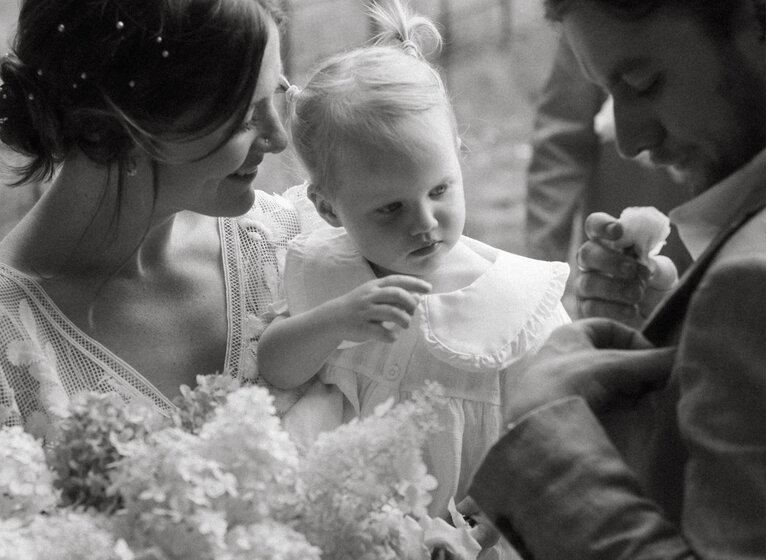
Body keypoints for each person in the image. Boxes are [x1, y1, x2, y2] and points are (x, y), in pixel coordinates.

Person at [0, 0, 302, 440]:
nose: (278, 137)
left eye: (278, 93)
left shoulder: (288, 248)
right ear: (121, 125)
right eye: (245, 116)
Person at [468, 0, 765, 557]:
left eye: (644, 82)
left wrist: (548, 443)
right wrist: (684, 345)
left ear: (755, 22)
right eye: (609, 94)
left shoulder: (751, 285)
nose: (628, 140)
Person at [256, 0, 572, 525]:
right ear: (329, 207)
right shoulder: (324, 270)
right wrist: (335, 321)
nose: (424, 222)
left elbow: (552, 425)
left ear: (459, 153)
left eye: (440, 190)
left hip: (462, 531)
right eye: (390, 208)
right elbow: (277, 369)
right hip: (340, 527)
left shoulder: (514, 302)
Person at [525, 34, 693, 279]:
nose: (627, 142)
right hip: (621, 267)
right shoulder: (587, 25)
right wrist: (541, 273)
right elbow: (560, 148)